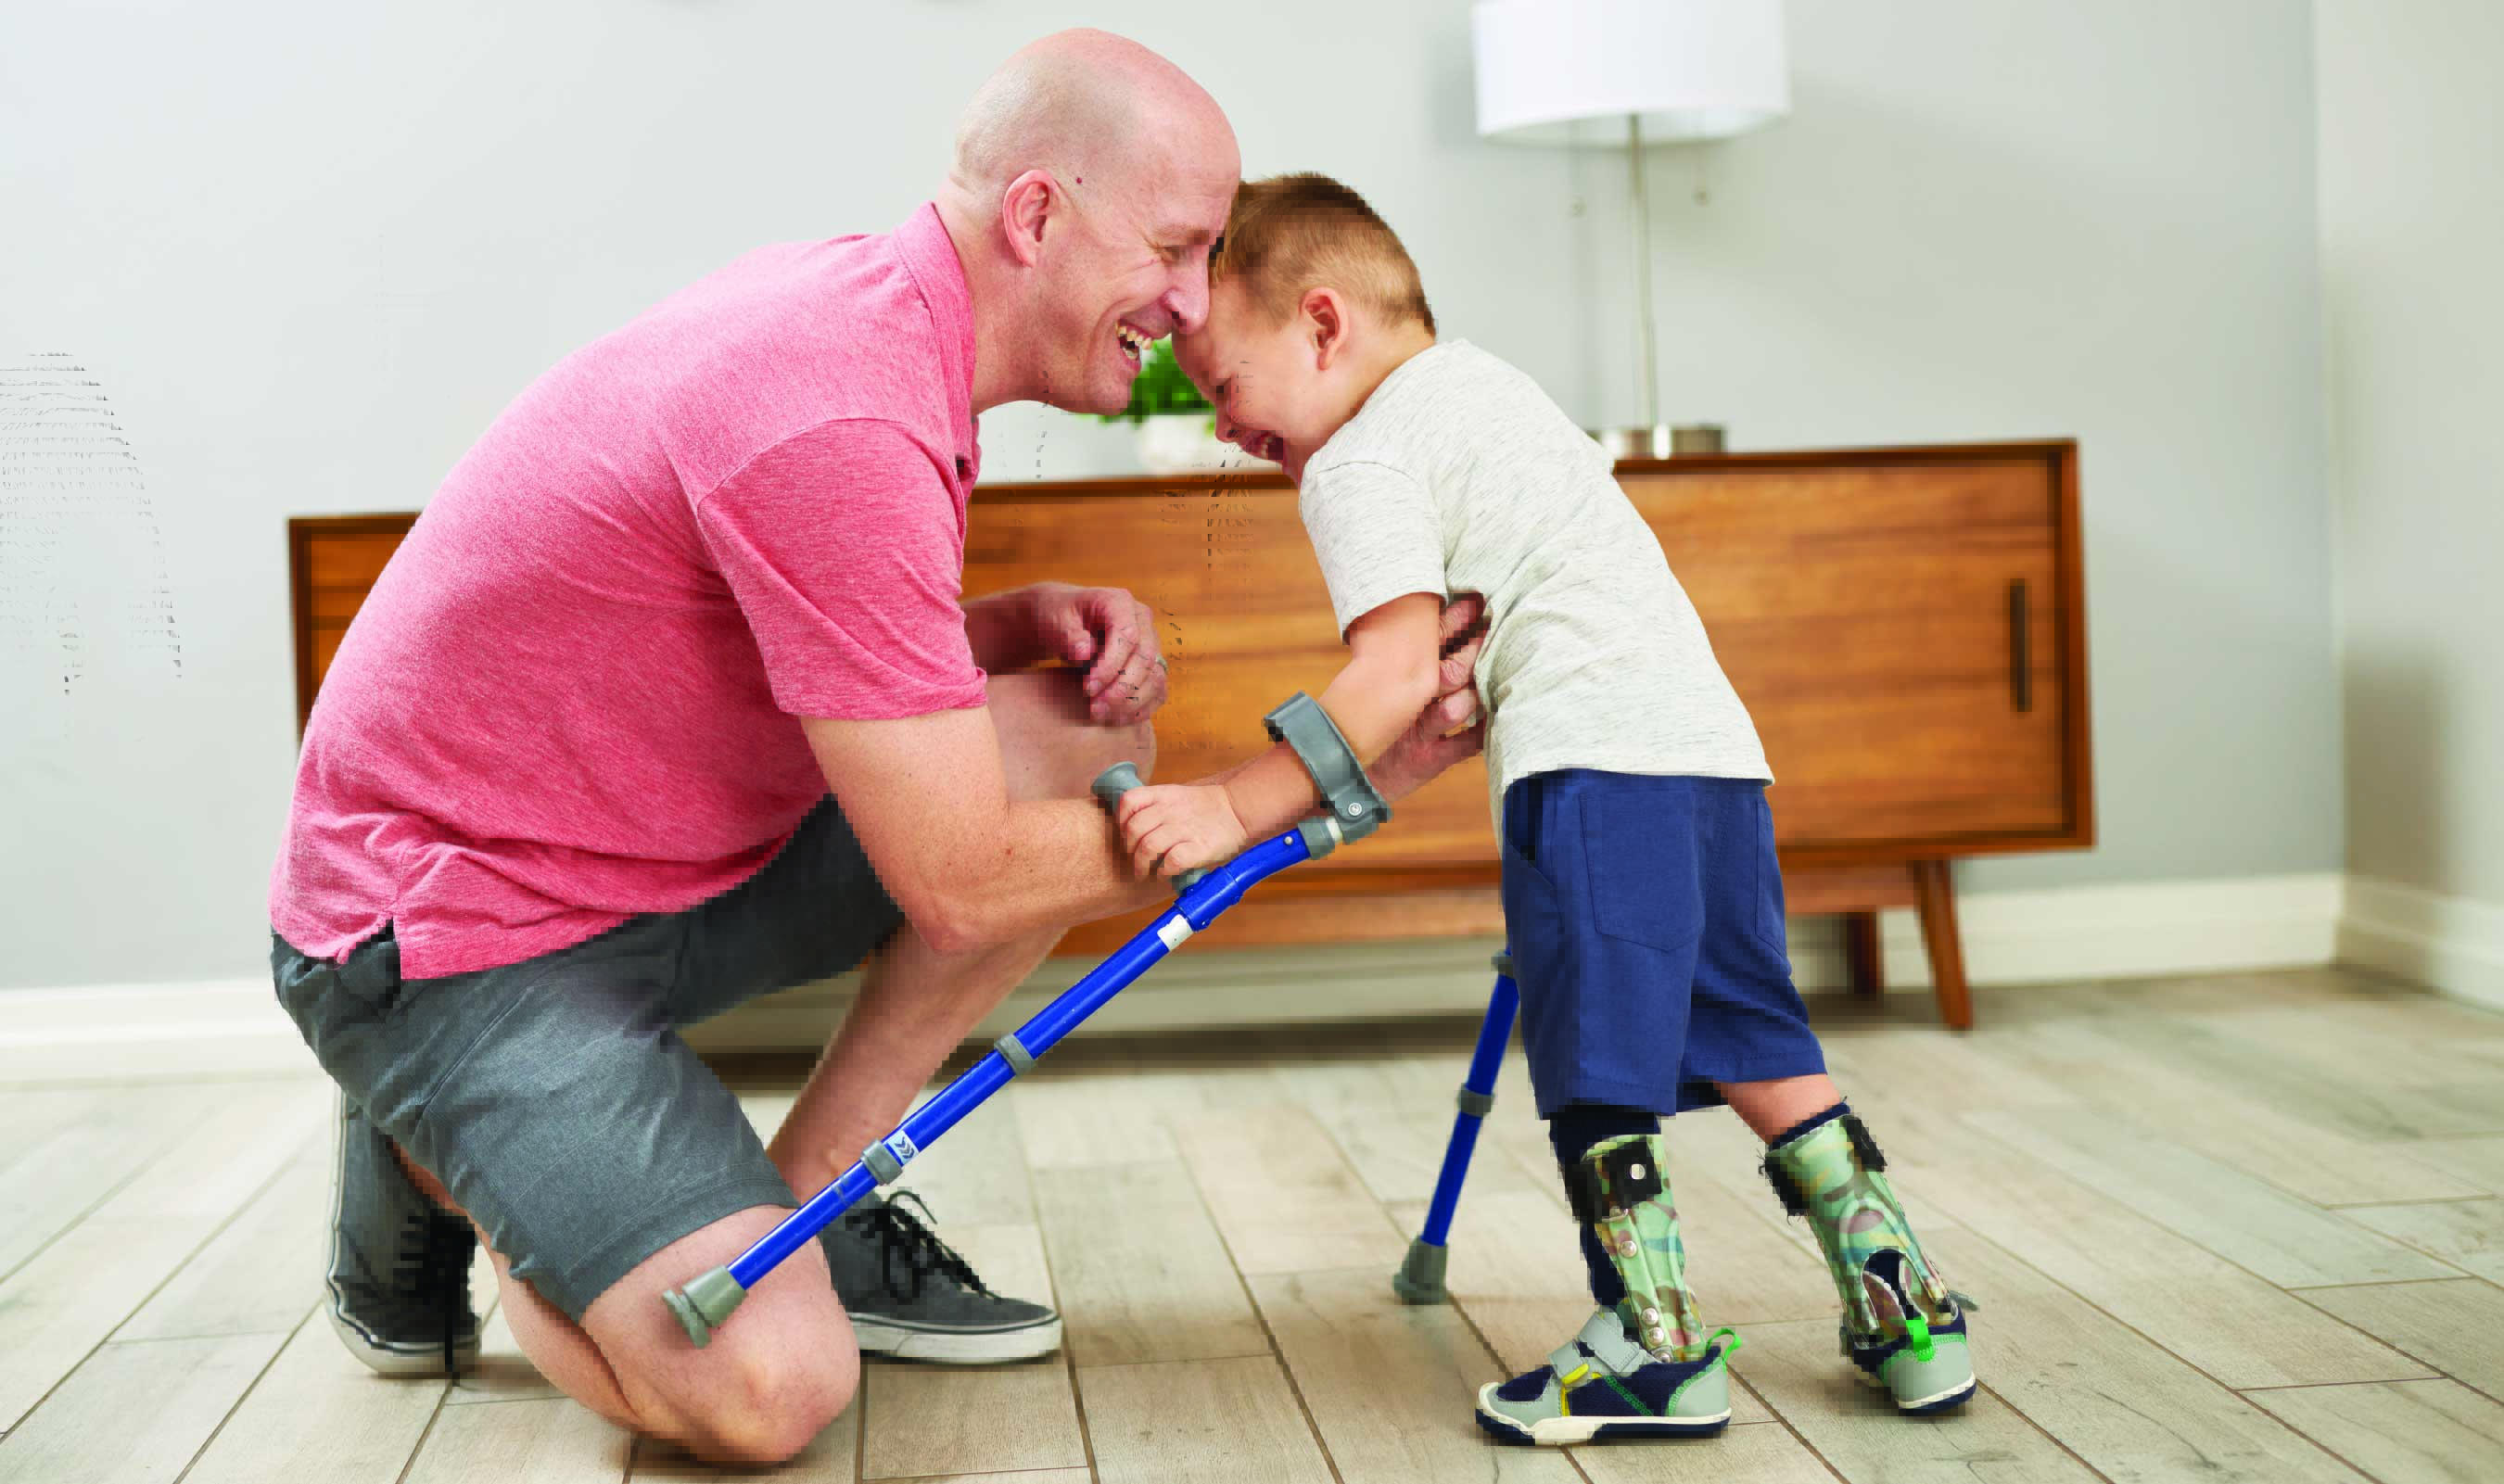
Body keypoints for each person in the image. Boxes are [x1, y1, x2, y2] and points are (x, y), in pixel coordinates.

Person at [266, 43, 1488, 1465]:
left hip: (648, 870)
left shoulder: (882, 321)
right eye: (1176, 249)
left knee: (1079, 734)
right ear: (1037, 219)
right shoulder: (838, 404)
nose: (1198, 305)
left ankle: (809, 1203)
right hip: (455, 942)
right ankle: (441, 1146)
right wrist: (1269, 797)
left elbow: (732, 632)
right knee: (770, 1385)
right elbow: (962, 885)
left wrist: (990, 633)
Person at [1125, 172, 1978, 1447]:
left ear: (1320, 324)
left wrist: (1230, 806)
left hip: (1589, 768)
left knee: (1594, 1063)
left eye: (1225, 390)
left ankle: (1655, 1343)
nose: (1226, 433)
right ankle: (1909, 1311)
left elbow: (1396, 673)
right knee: (1752, 1033)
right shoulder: (1488, 386)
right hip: (1711, 757)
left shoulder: (1355, 460)